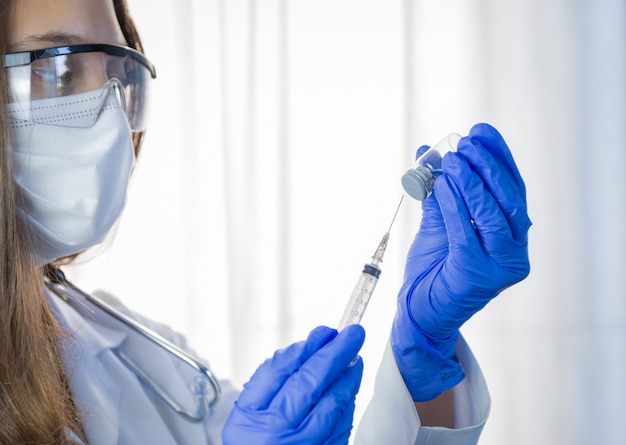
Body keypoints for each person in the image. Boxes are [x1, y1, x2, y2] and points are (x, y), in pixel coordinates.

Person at [0, 0, 531, 443]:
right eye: (61, 70)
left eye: (120, 76)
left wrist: (423, 362)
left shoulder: (142, 357)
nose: (110, 117)